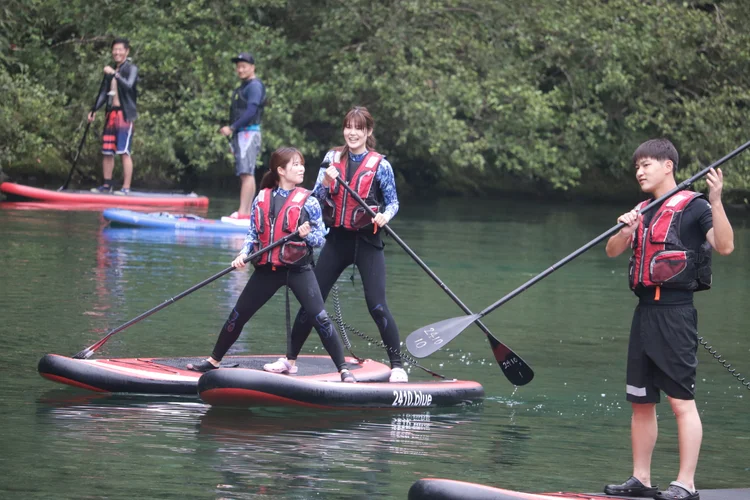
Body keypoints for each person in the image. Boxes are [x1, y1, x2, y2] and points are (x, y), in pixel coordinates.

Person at [603, 139, 734, 500]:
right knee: (640, 401)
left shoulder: (695, 207)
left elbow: (725, 246)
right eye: (636, 167)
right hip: (644, 312)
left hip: (675, 312)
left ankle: (686, 484)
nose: (639, 172)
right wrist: (626, 229)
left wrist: (718, 200)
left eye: (646, 165)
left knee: (680, 401)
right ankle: (641, 480)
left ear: (667, 166)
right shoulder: (642, 209)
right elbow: (612, 250)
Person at [187, 147, 355, 383]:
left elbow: (320, 239)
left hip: (298, 270)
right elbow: (253, 234)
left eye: (302, 163)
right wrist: (243, 254)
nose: (301, 168)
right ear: (281, 170)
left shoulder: (309, 201)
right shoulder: (261, 198)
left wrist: (306, 235)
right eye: (295, 164)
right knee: (238, 314)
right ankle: (213, 361)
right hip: (267, 269)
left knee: (320, 318)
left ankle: (343, 371)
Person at [276, 106, 408, 383]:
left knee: (377, 305)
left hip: (368, 240)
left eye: (359, 128)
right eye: (349, 126)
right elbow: (315, 198)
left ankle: (397, 365)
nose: (352, 132)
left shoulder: (381, 165)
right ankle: (290, 361)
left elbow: (393, 201)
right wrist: (325, 180)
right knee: (312, 302)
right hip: (336, 240)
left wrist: (385, 215)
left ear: (368, 132)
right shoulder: (331, 159)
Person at [219, 52, 266, 220]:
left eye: (244, 66)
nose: (240, 69)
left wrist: (232, 128)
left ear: (252, 68)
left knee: (247, 173)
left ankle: (244, 213)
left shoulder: (254, 86)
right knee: (245, 173)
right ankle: (245, 212)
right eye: (238, 67)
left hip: (249, 133)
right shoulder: (243, 87)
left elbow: (251, 111)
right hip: (241, 134)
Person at [89, 37, 138, 195]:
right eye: (114, 50)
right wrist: (94, 109)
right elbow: (104, 93)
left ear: (126, 51)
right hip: (111, 114)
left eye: (120, 49)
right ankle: (106, 185)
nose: (117, 52)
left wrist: (115, 75)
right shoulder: (110, 72)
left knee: (124, 151)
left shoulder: (131, 69)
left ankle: (126, 188)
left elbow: (129, 85)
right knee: (107, 151)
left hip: (125, 114)